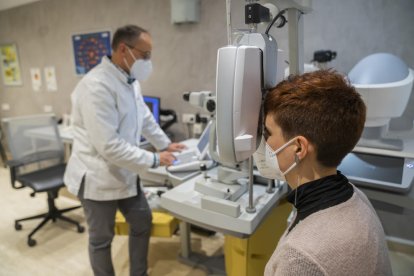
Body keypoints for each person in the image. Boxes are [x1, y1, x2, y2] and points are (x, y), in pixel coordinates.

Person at [64, 25, 185, 276]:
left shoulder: (129, 80)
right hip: (97, 178)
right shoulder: (96, 86)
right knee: (101, 240)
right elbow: (108, 145)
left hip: (124, 173)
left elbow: (145, 117)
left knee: (142, 222)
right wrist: (154, 158)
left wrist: (164, 143)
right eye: (145, 54)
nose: (148, 61)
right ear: (123, 49)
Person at [253, 70, 392, 275]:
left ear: (298, 148)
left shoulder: (299, 258)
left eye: (268, 133)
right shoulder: (355, 197)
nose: (263, 142)